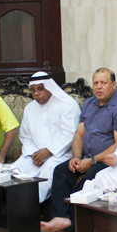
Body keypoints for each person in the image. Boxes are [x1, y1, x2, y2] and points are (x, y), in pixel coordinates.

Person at [41, 68, 117, 232]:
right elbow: (79, 133)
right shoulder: (89, 103)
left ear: (114, 85)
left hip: (108, 161)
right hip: (86, 157)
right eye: (96, 83)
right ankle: (60, 217)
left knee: (90, 176)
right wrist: (76, 157)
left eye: (103, 83)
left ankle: (72, 222)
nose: (99, 87)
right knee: (61, 171)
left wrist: (92, 161)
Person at [14, 71, 81, 202]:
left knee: (48, 171)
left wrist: (49, 151)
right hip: (34, 155)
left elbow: (70, 134)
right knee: (16, 169)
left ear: (50, 88)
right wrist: (34, 154)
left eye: (40, 89)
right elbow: (25, 136)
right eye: (33, 90)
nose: (36, 94)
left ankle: (30, 205)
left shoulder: (66, 104)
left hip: (60, 155)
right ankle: (15, 206)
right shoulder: (29, 108)